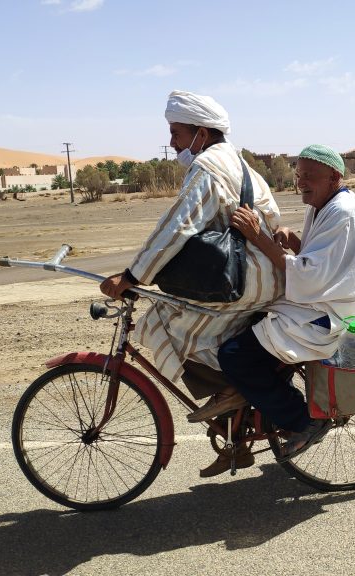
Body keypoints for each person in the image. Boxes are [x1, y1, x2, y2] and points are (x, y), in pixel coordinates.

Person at [100, 90, 285, 474]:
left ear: (201, 133)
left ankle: (230, 391)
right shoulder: (241, 163)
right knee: (210, 334)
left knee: (159, 321)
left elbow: (176, 227)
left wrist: (133, 276)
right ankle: (236, 439)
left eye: (177, 133)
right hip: (262, 274)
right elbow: (272, 217)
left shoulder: (208, 169)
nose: (172, 143)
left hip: (243, 280)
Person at [224, 144, 355, 461]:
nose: (301, 182)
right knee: (253, 322)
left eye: (309, 176)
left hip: (335, 313)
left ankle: (304, 421)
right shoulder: (324, 205)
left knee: (235, 355)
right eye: (299, 175)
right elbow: (327, 262)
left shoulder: (343, 212)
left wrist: (258, 235)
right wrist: (296, 240)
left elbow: (308, 274)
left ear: (334, 176)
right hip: (327, 299)